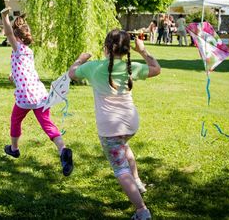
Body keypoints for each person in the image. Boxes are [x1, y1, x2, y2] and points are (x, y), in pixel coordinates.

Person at [68, 29, 161, 220]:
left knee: (120, 169)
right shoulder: (131, 66)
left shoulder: (93, 67)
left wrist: (80, 59)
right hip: (131, 123)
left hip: (110, 128)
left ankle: (142, 211)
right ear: (127, 50)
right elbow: (156, 69)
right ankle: (137, 182)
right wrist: (143, 51)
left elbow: (71, 73)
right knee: (124, 146)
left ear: (106, 48)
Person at [0, 8, 73, 177]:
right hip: (40, 94)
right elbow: (25, 71)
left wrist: (4, 17)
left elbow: (9, 34)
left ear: (17, 38)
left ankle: (14, 149)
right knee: (48, 124)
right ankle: (63, 150)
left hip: (25, 97)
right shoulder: (29, 52)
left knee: (15, 120)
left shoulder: (17, 48)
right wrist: (14, 77)